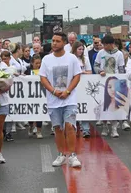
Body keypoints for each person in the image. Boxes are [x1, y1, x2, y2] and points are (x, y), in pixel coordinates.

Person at [40, 32, 82, 168]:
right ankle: (61, 154)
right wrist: (53, 91)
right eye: (53, 41)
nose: (54, 43)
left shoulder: (72, 58)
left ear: (64, 43)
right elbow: (43, 78)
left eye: (57, 41)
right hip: (53, 100)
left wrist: (67, 91)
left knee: (70, 126)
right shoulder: (46, 59)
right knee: (57, 128)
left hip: (69, 99)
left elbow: (77, 76)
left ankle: (72, 155)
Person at [94, 35, 130, 137]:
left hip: (115, 82)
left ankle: (114, 128)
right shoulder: (101, 53)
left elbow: (121, 68)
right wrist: (100, 71)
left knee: (115, 106)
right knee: (104, 105)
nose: (103, 46)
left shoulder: (119, 54)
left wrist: (122, 80)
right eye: (103, 44)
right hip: (103, 81)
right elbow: (96, 65)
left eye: (105, 44)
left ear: (111, 44)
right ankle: (105, 127)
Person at [71, 41, 92, 138]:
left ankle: (86, 129)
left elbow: (90, 72)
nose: (81, 51)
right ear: (75, 49)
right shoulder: (70, 59)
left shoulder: (85, 59)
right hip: (73, 86)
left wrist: (83, 73)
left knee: (84, 107)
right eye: (79, 49)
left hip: (83, 86)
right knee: (73, 108)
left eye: (82, 49)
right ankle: (73, 128)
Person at [28, 54, 43, 139]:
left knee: (39, 113)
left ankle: (39, 131)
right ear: (32, 63)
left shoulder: (43, 70)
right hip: (30, 95)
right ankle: (31, 126)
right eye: (36, 63)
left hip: (40, 95)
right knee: (31, 113)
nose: (38, 65)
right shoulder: (28, 71)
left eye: (39, 63)